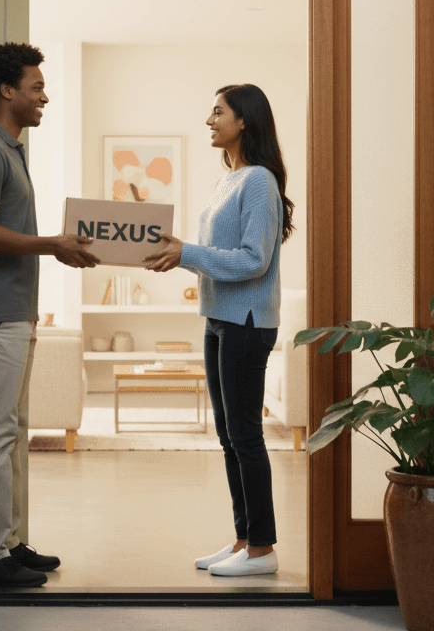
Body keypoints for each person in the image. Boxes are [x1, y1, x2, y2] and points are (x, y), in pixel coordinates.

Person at [0, 42, 100, 588]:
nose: (44, 96)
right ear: (6, 91)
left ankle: (9, 544)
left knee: (10, 432)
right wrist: (52, 245)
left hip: (13, 314)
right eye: (36, 87)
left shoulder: (10, 151)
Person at [142, 83, 295, 577]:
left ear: (244, 120)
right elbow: (215, 257)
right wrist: (178, 255)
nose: (209, 120)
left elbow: (254, 260)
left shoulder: (258, 182)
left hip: (247, 323)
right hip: (219, 319)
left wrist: (187, 252)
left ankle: (263, 550)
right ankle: (243, 540)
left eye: (217, 112)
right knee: (230, 436)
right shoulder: (228, 180)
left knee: (245, 435)